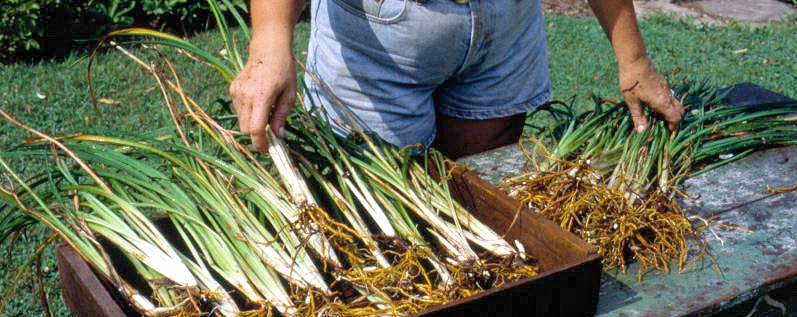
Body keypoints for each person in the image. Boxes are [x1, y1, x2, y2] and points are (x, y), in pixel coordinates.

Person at [230, 0, 685, 159]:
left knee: (483, 201)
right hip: (380, 40)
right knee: (384, 224)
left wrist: (634, 59)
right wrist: (270, 39)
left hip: (504, 28)